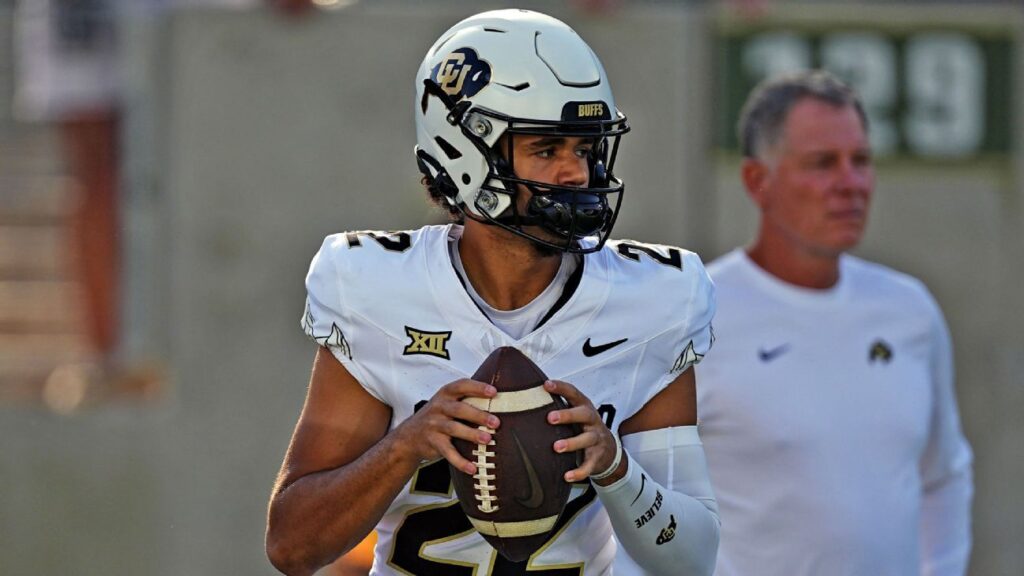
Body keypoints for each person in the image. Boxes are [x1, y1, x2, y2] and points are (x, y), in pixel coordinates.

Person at [266, 9, 720, 576]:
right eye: (547, 150)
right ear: (464, 155)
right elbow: (292, 547)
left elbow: (691, 559)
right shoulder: (376, 292)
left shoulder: (654, 302)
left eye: (584, 150)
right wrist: (405, 445)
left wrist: (616, 469)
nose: (576, 174)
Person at [695, 70, 974, 576]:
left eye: (861, 160)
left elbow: (944, 475)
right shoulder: (695, 313)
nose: (852, 184)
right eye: (823, 163)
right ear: (757, 181)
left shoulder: (909, 309)